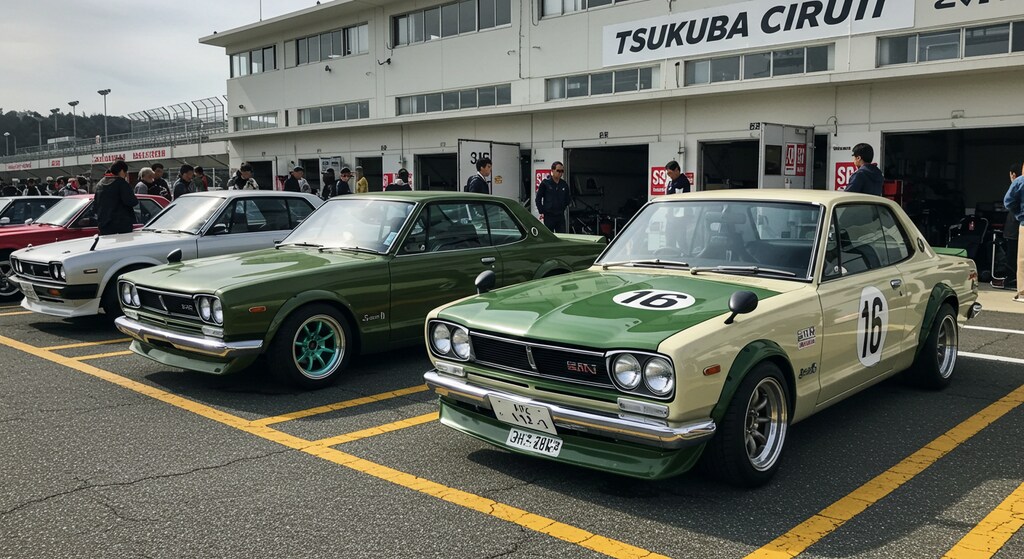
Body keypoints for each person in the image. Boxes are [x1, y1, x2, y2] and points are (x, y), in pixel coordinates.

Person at [95, 161, 138, 235]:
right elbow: (131, 201)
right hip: (121, 226)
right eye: (125, 172)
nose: (125, 175)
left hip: (104, 224)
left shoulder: (100, 184)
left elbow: (96, 203)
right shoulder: (121, 183)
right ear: (121, 171)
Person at [1003, 162, 1024, 302]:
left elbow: (1008, 202)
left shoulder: (1020, 181)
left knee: (1023, 260)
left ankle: (1022, 293)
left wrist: (1019, 215)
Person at [535, 161, 572, 233]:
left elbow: (567, 198)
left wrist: (563, 207)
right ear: (552, 170)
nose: (560, 173)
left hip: (560, 215)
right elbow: (538, 198)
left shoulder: (564, 184)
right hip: (549, 215)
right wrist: (542, 210)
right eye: (558, 171)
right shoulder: (545, 183)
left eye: (562, 171)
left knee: (562, 235)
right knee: (549, 235)